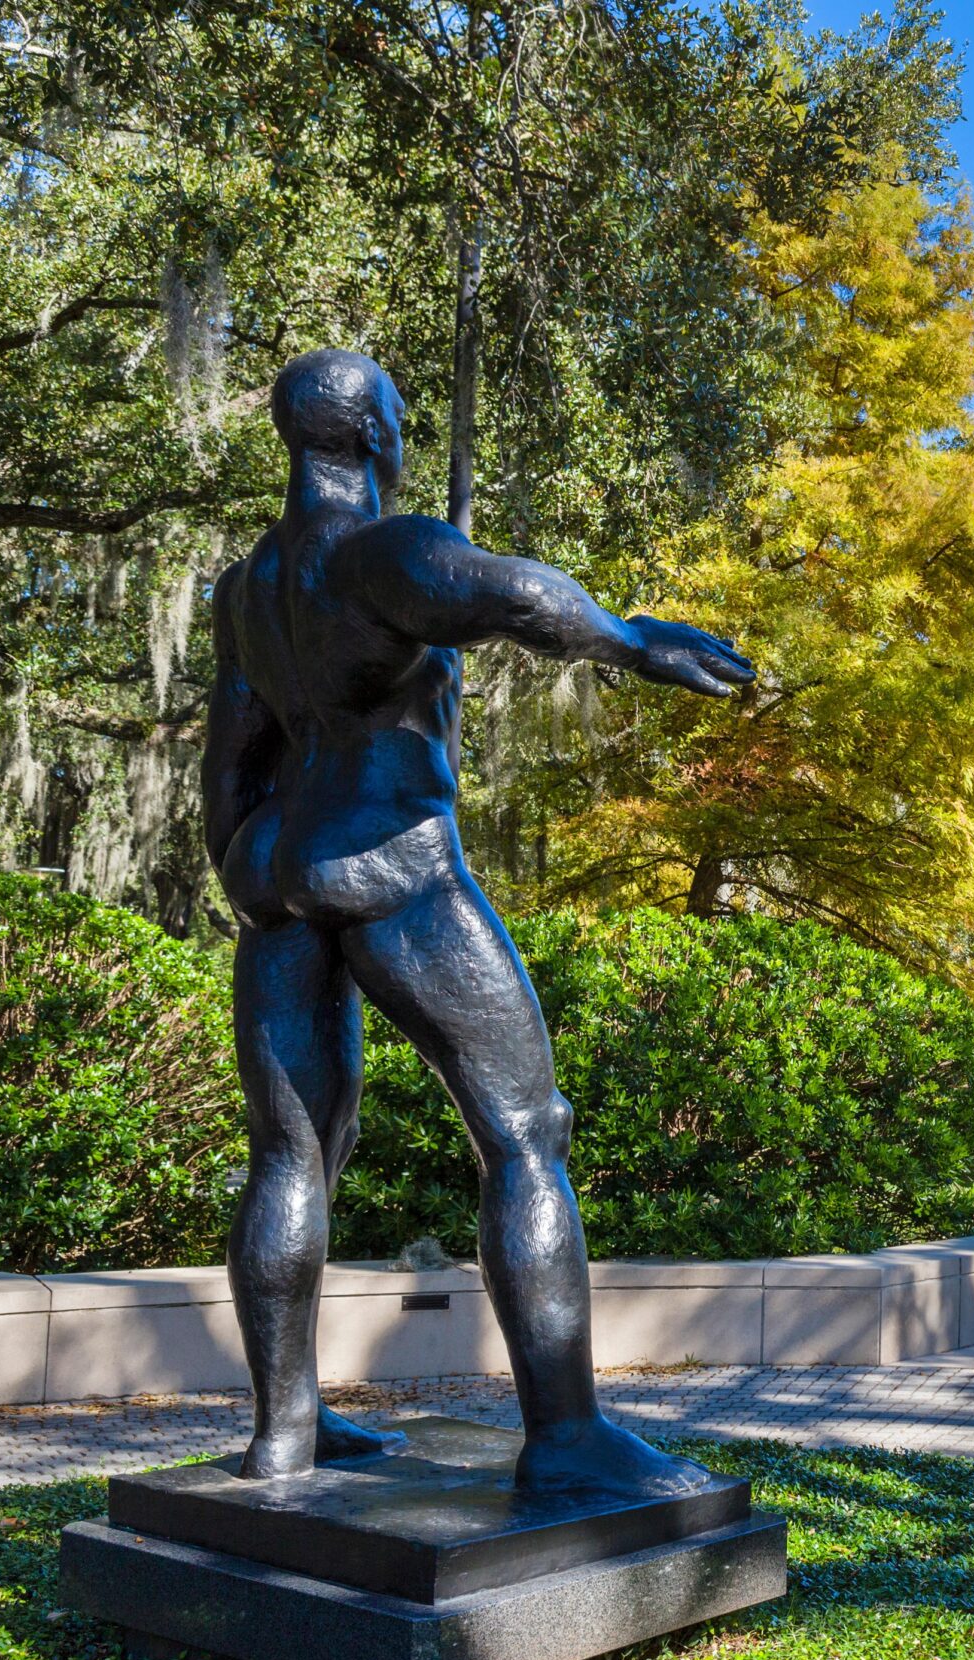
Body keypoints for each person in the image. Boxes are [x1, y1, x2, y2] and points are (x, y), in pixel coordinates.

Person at [204, 349, 755, 1488]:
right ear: (369, 436)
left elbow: (230, 763)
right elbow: (509, 593)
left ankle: (283, 1431)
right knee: (524, 1129)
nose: (403, 436)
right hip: (396, 865)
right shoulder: (381, 552)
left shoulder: (247, 588)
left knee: (291, 1155)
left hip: (281, 877)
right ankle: (564, 1436)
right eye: (398, 418)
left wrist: (250, 870)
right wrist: (635, 638)